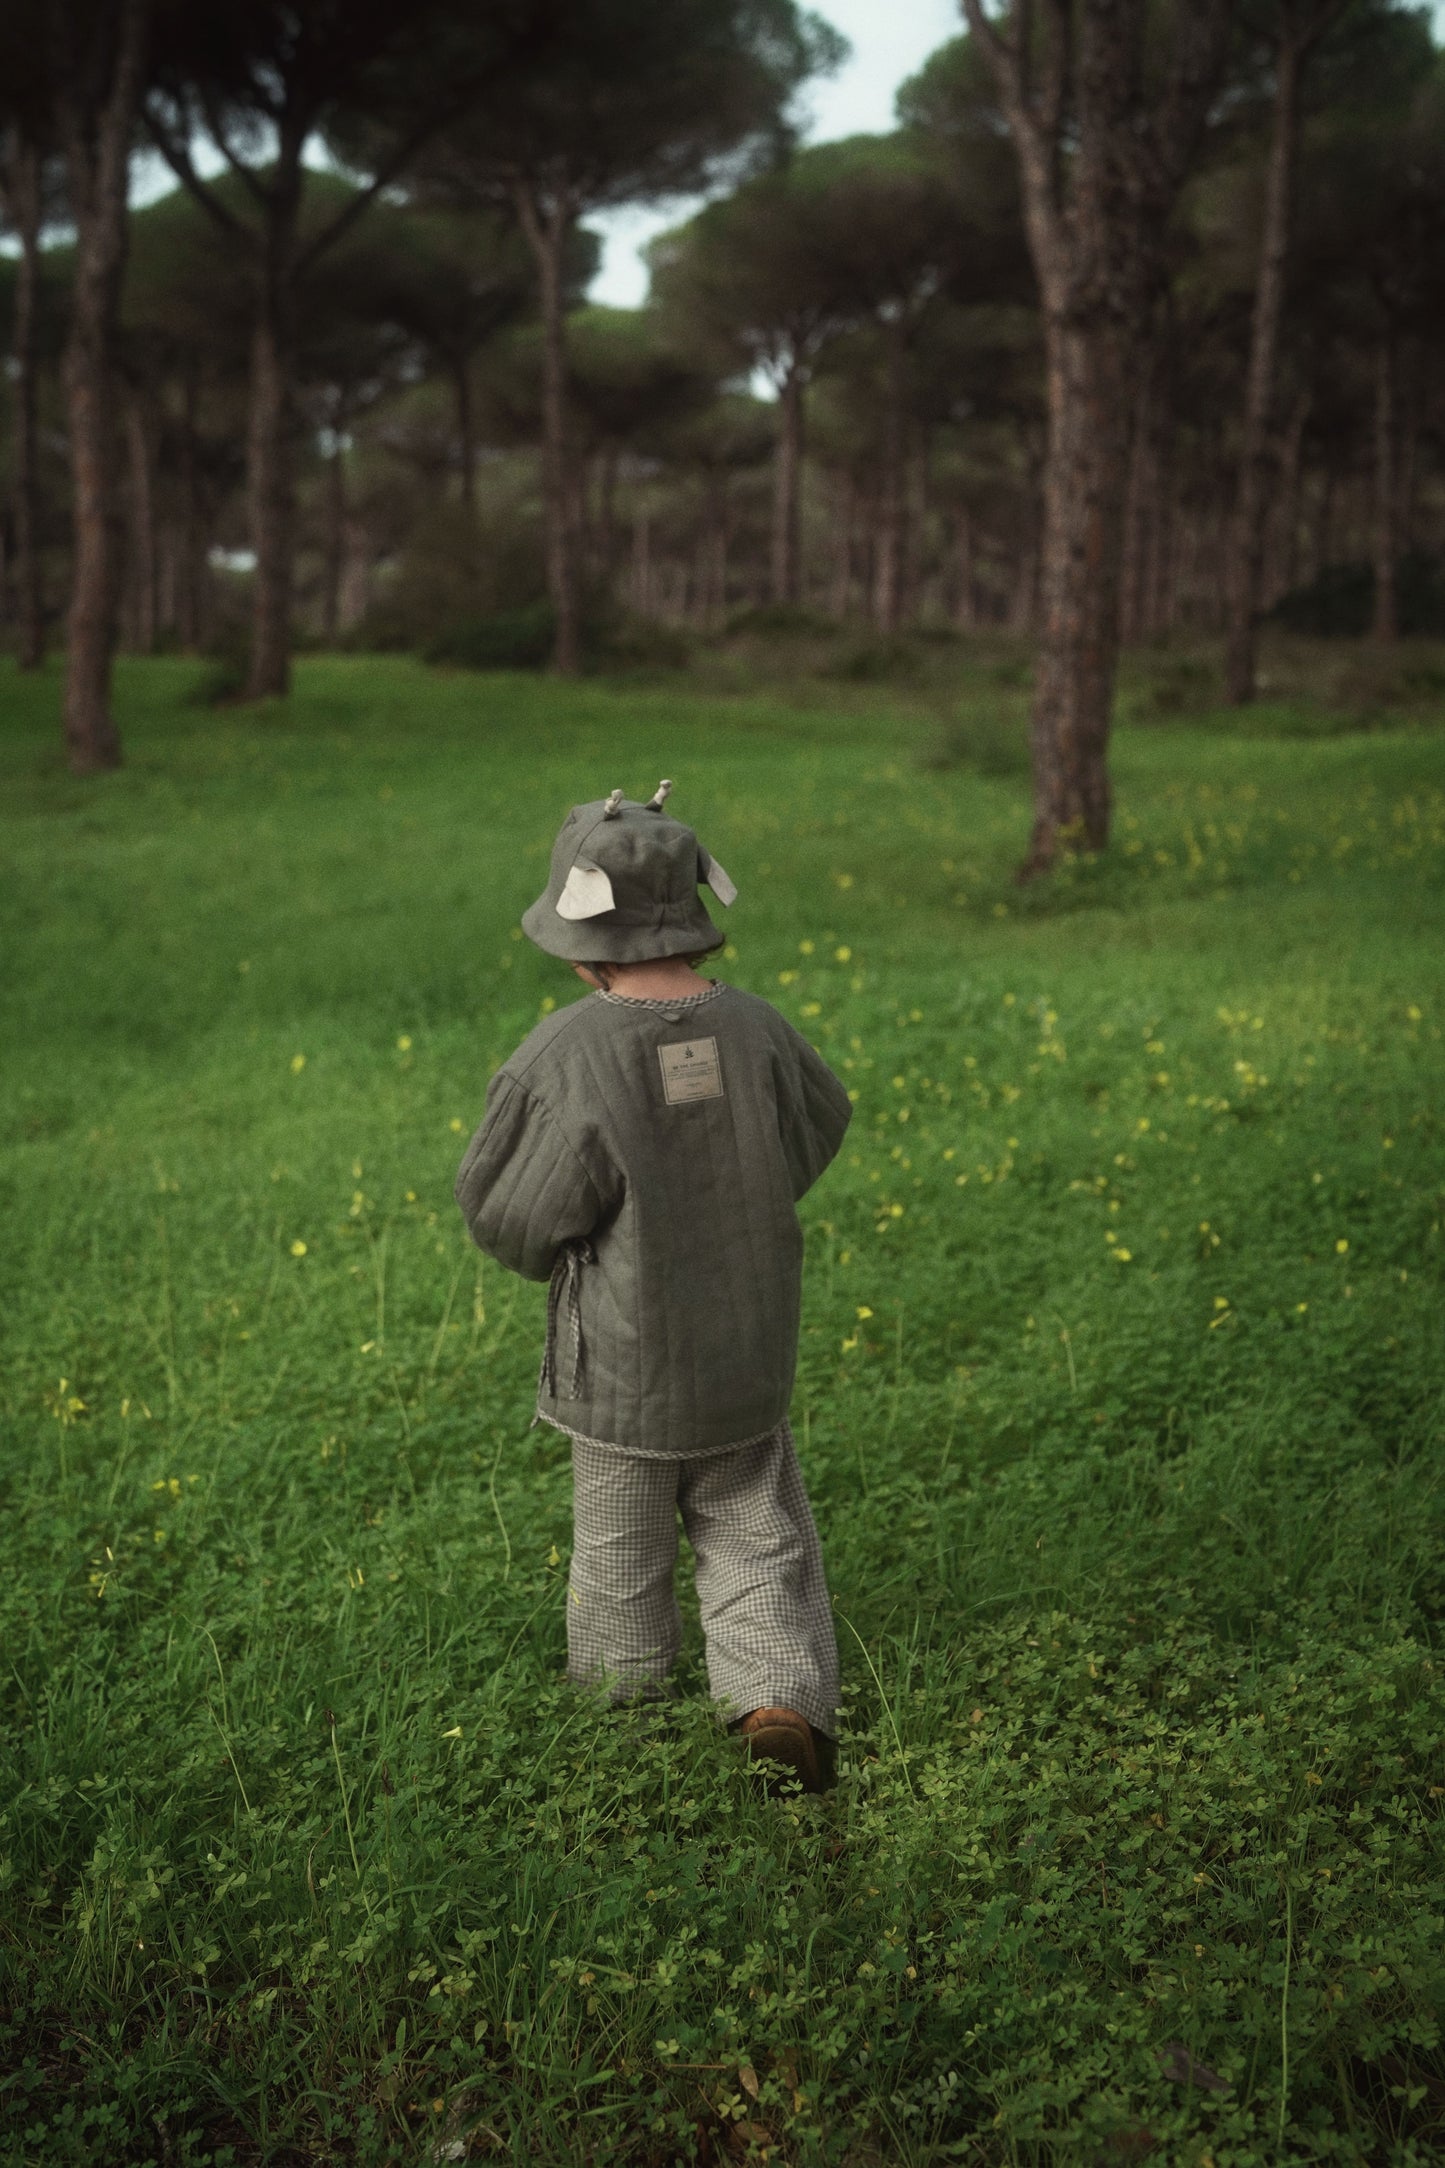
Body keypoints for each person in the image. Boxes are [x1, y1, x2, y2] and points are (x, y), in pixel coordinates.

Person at [454, 780, 852, 1792]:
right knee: (756, 1534)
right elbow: (816, 1121)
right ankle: (774, 1700)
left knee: (618, 1554)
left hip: (621, 1367)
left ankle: (619, 1721)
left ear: (580, 940)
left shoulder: (566, 1056)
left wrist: (575, 1243)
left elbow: (507, 1207)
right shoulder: (756, 1031)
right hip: (745, 1357)